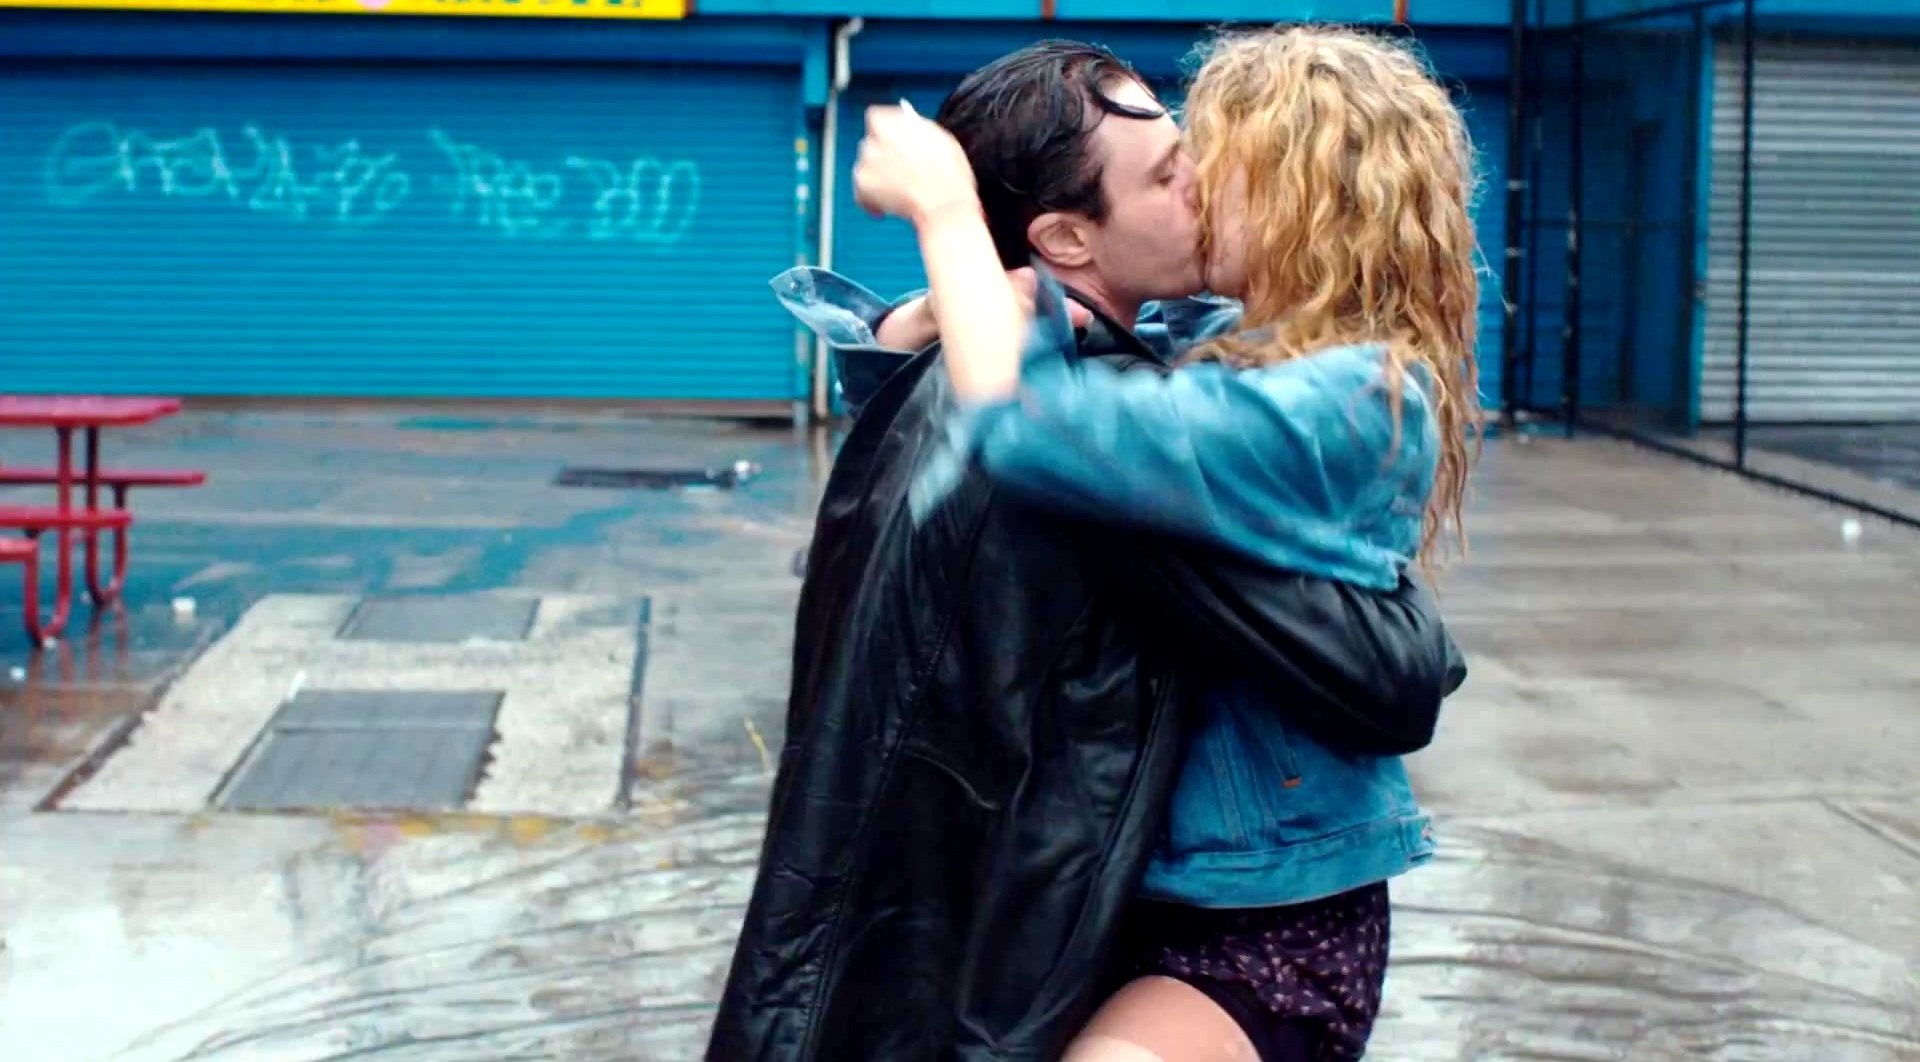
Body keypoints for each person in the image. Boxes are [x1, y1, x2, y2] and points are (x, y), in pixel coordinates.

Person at [706, 38, 1466, 1062]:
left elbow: (1026, 425)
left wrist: (948, 219)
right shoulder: (1203, 341)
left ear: (1307, 208)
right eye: (1172, 171)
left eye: (1211, 166)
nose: (1196, 187)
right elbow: (938, 421)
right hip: (1123, 906)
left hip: (1264, 913)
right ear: (1064, 239)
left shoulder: (1338, 395)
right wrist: (939, 309)